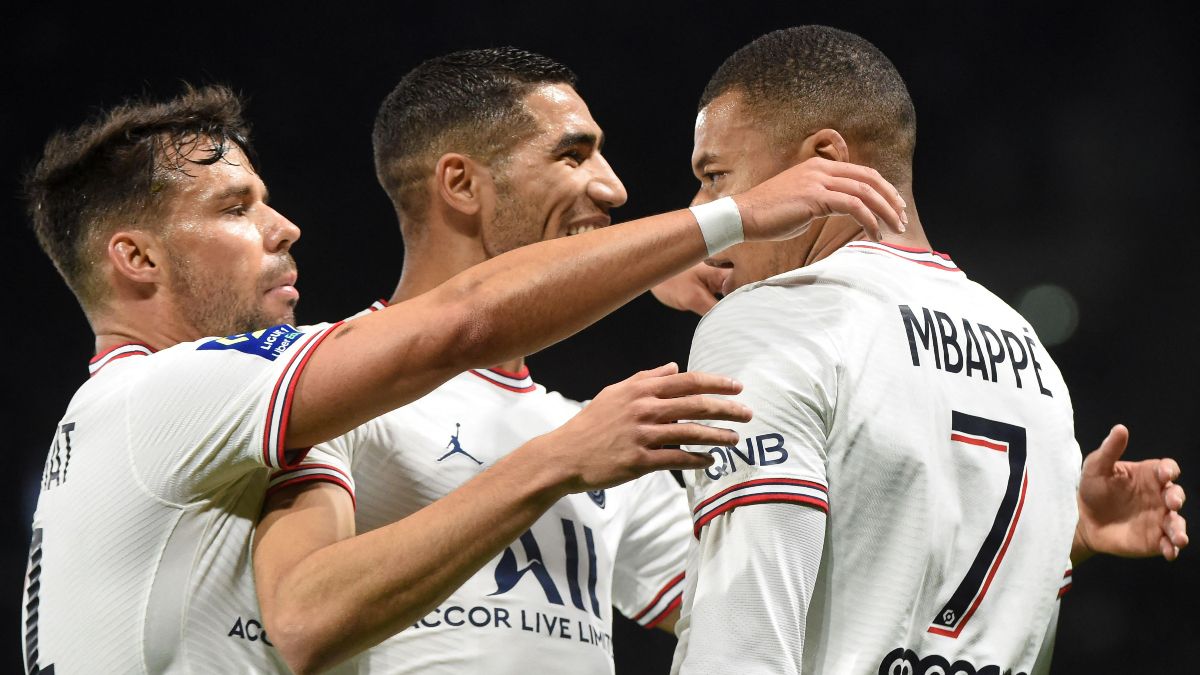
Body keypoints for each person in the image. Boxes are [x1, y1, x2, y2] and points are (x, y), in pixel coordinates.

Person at [19, 83, 909, 673]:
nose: (286, 227)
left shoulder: (210, 425)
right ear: (133, 257)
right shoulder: (174, 391)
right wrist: (726, 218)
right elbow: (459, 322)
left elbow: (750, 595)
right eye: (235, 207)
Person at [666, 26, 1189, 675]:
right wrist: (1073, 541)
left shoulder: (769, 321)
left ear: (823, 159)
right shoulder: (1032, 357)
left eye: (716, 176)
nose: (700, 215)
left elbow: (744, 643)